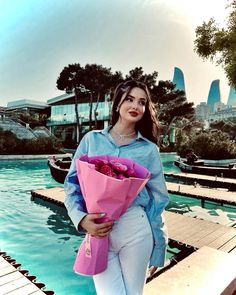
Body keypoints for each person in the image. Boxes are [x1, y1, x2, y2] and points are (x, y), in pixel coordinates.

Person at [64, 80, 169, 295]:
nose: (136, 106)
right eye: (130, 99)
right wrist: (81, 220)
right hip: (98, 230)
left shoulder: (149, 150)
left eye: (142, 102)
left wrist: (160, 247)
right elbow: (71, 185)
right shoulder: (91, 140)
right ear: (117, 103)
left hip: (136, 230)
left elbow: (158, 201)